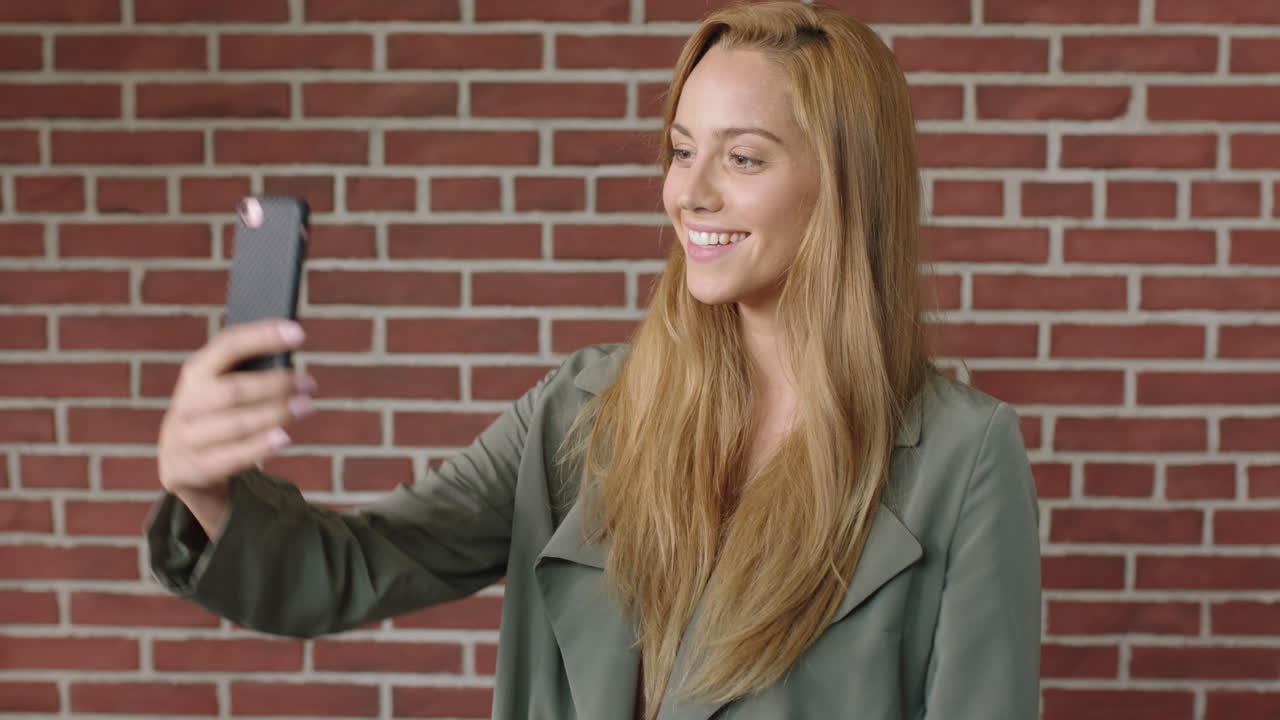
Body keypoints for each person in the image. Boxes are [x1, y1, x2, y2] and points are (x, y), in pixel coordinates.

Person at [146, 2, 1042, 719]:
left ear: (846, 185)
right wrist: (209, 490)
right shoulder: (582, 408)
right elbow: (356, 566)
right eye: (682, 151)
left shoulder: (961, 458)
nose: (690, 193)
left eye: (743, 157)